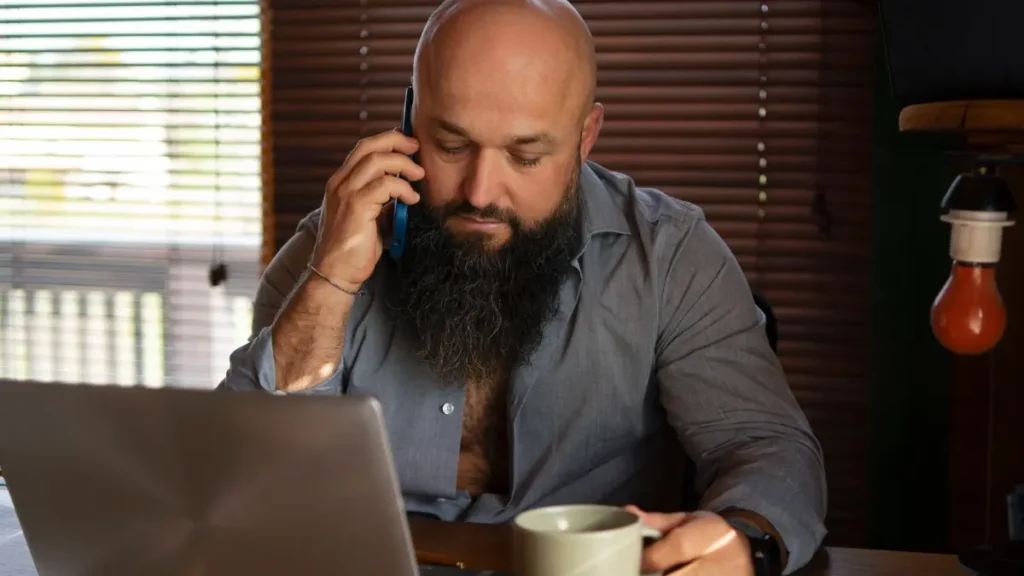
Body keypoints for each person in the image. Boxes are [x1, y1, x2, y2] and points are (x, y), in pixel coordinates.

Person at [219, 0, 827, 574]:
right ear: (410, 121)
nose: (481, 192)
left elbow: (766, 446)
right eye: (452, 145)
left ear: (586, 137)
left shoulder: (669, 256)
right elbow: (241, 479)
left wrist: (746, 545)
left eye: (526, 155)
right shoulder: (328, 249)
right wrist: (330, 282)